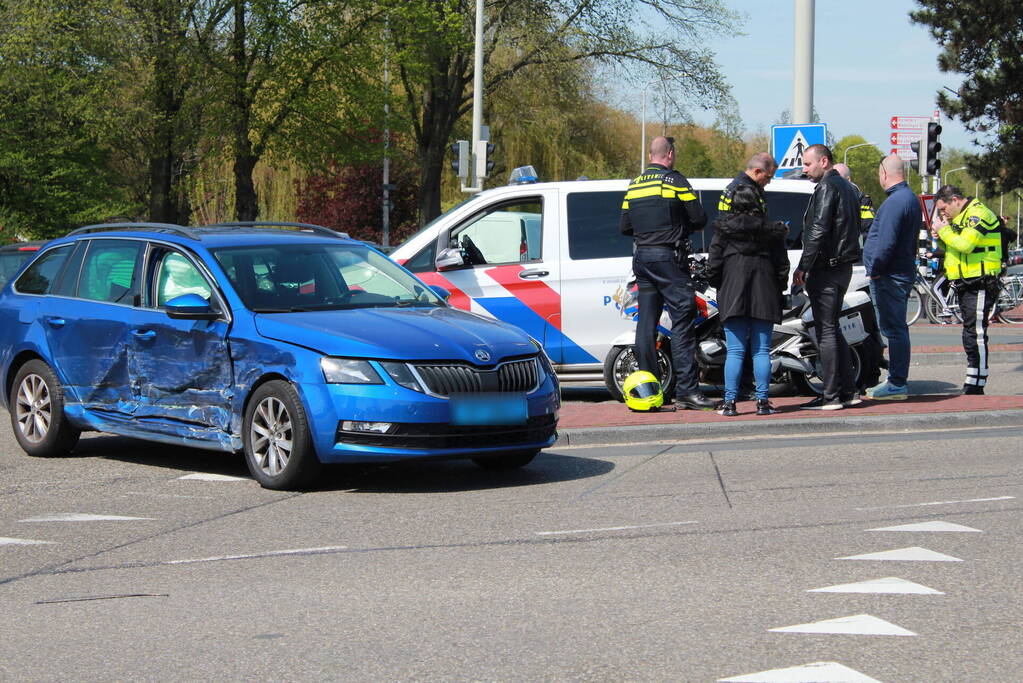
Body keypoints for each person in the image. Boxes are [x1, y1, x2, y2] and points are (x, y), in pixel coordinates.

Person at [620, 136, 716, 411]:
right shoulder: (676, 181)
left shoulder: (635, 185)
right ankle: (687, 391)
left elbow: (625, 226)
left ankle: (649, 392)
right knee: (683, 320)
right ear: (670, 155)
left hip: (642, 258)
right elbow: (699, 219)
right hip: (669, 259)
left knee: (646, 324)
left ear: (651, 155)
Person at [706, 183, 789, 416]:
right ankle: (763, 403)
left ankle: (730, 403)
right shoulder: (772, 231)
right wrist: (778, 288)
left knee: (735, 351)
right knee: (761, 351)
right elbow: (782, 266)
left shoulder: (723, 231)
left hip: (733, 294)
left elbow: (714, 266)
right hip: (765, 293)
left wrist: (719, 284)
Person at [792, 144, 863, 410]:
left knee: (826, 331)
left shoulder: (827, 188)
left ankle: (831, 394)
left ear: (824, 161)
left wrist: (803, 267)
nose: (804, 169)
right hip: (841, 266)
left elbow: (817, 229)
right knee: (832, 328)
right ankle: (847, 391)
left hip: (827, 268)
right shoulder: (847, 187)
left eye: (808, 164)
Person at [931, 185, 1003, 394]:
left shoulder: (978, 214)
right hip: (966, 282)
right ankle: (973, 379)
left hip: (980, 281)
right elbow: (955, 247)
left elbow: (966, 245)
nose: (943, 213)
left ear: (955, 199)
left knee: (976, 333)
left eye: (944, 209)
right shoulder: (961, 219)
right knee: (970, 332)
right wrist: (941, 238)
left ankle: (977, 383)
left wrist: (944, 230)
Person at [862, 155, 922, 400]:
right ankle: (896, 381)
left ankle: (897, 383)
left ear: (884, 174)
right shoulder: (907, 198)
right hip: (897, 272)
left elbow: (886, 241)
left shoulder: (895, 202)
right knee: (896, 328)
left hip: (889, 275)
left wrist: (875, 268)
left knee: (894, 329)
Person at [834, 162, 876, 235]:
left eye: (838, 178)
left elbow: (868, 228)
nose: (833, 182)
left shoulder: (863, 201)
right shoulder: (825, 195)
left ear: (848, 180)